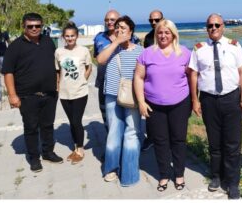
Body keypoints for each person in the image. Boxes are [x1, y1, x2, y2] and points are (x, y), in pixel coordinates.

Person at [187, 13, 242, 198]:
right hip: (209, 100)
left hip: (231, 98)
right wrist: (195, 100)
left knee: (232, 143)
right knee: (214, 142)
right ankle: (216, 176)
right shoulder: (199, 49)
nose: (213, 28)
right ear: (207, 28)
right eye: (210, 26)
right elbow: (193, 75)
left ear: (223, 27)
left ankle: (232, 182)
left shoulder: (234, 46)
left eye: (217, 25)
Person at [134, 19, 193, 191]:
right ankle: (164, 175)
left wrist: (193, 100)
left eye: (167, 32)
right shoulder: (146, 54)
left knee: (178, 140)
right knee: (160, 141)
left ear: (174, 34)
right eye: (160, 32)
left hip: (180, 103)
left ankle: (179, 174)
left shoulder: (184, 53)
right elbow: (138, 78)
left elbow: (192, 77)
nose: (163, 35)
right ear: (155, 34)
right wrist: (141, 102)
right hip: (154, 105)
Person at [2, 13, 63, 172]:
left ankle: (48, 152)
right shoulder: (15, 47)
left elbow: (56, 64)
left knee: (48, 125)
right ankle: (34, 158)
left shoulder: (48, 41)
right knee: (31, 128)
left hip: (49, 94)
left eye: (38, 26)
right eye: (30, 26)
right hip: (28, 97)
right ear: (24, 26)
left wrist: (57, 84)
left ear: (42, 26)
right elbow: (8, 72)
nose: (35, 29)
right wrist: (12, 95)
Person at [96, 16, 143, 186]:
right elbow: (100, 61)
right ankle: (111, 169)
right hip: (112, 95)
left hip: (132, 97)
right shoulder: (110, 48)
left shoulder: (140, 50)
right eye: (117, 28)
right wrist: (116, 42)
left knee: (132, 132)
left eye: (123, 28)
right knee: (114, 132)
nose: (120, 30)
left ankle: (129, 173)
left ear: (131, 31)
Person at [55, 22, 93, 164]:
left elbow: (89, 67)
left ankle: (80, 150)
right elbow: (58, 71)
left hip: (80, 92)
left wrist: (84, 79)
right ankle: (76, 147)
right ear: (63, 37)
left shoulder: (83, 51)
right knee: (71, 122)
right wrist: (58, 86)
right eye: (67, 36)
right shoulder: (59, 52)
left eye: (72, 36)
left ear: (77, 36)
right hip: (64, 93)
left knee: (77, 121)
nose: (70, 38)